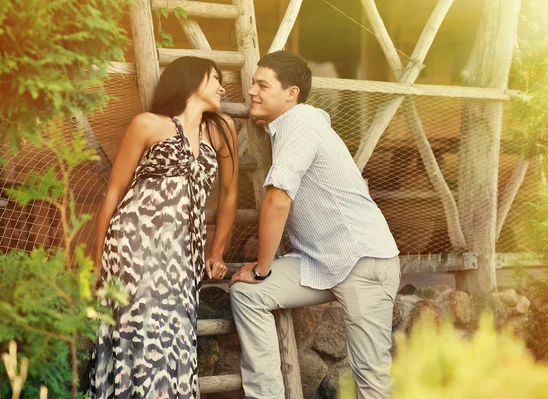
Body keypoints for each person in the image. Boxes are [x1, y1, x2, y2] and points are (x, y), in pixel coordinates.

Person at [229, 50, 400, 399]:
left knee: (371, 378)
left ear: (291, 93)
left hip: (362, 261)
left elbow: (278, 201)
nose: (251, 91)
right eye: (252, 84)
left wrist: (262, 268)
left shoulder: (301, 121)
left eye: (263, 85)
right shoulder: (291, 125)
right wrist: (259, 277)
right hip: (322, 263)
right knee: (248, 294)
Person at [88, 56, 238, 399]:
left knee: (176, 336)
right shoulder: (147, 124)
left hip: (183, 253)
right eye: (215, 78)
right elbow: (115, 191)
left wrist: (217, 250)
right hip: (133, 243)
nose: (222, 86)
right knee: (138, 335)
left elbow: (229, 194)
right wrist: (97, 260)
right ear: (191, 80)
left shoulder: (222, 128)